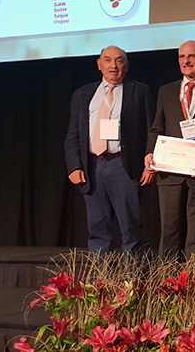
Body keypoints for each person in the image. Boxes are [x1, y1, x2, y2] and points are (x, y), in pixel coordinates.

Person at [64, 46, 155, 253]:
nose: (113, 66)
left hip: (123, 165)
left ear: (126, 66)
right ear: (99, 65)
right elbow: (73, 135)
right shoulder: (83, 94)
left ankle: (132, 282)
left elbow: (152, 131)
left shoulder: (140, 91)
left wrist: (151, 165)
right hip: (92, 167)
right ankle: (100, 282)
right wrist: (74, 166)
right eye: (107, 60)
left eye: (119, 61)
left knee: (130, 230)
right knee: (97, 230)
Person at [145, 40, 195, 257]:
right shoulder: (166, 91)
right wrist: (150, 153)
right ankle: (166, 283)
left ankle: (194, 284)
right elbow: (157, 128)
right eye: (182, 57)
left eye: (192, 56)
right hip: (170, 172)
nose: (186, 61)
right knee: (169, 232)